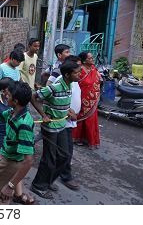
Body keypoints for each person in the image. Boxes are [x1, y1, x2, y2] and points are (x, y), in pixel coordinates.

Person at [30, 60, 81, 199]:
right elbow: (33, 97)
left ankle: (49, 179)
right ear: (67, 74)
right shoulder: (55, 87)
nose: (79, 75)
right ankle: (38, 186)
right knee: (49, 158)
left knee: (64, 155)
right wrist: (43, 115)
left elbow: (64, 102)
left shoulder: (70, 85)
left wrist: (69, 111)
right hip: (50, 127)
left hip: (62, 125)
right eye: (76, 73)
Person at [55, 55, 82, 191]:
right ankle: (64, 175)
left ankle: (57, 174)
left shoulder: (74, 81)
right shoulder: (60, 81)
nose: (79, 73)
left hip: (70, 121)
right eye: (77, 70)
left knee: (64, 151)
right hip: (62, 121)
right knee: (65, 152)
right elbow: (49, 98)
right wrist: (67, 111)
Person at [73, 51, 101, 149]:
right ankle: (78, 138)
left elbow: (98, 81)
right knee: (82, 118)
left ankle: (89, 139)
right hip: (82, 98)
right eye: (90, 58)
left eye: (92, 58)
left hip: (93, 100)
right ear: (84, 61)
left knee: (91, 119)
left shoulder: (94, 69)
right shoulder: (80, 70)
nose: (92, 59)